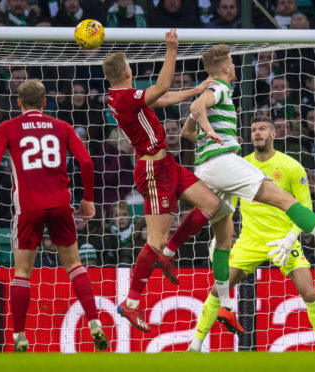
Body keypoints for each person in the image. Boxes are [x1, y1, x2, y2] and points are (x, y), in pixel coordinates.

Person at [182, 45, 315, 330]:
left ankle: (223, 310)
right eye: (232, 62)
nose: (234, 66)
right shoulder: (219, 88)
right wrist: (210, 131)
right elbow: (197, 108)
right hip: (222, 162)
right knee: (282, 198)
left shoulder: (215, 93)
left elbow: (186, 131)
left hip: (208, 169)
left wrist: (205, 131)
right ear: (224, 68)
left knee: (223, 239)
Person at [0, 79, 108, 352]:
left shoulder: (8, 127)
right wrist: (88, 198)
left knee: (22, 271)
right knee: (74, 265)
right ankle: (94, 322)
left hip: (29, 206)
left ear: (19, 102)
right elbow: (85, 161)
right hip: (61, 204)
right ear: (45, 102)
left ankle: (20, 336)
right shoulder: (63, 127)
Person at [102, 29, 222, 333]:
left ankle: (168, 254)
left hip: (167, 164)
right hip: (153, 171)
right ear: (128, 71)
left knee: (211, 204)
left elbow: (162, 97)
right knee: (153, 240)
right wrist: (172, 49)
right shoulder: (125, 98)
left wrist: (195, 91)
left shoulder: (120, 96)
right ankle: (130, 304)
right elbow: (163, 85)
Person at [186, 116, 315, 352]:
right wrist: (218, 237)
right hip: (249, 241)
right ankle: (195, 344)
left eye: (262, 129)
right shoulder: (240, 165)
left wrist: (289, 237)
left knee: (309, 291)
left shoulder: (291, 166)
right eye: (253, 129)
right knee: (219, 288)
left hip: (282, 240)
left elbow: (306, 208)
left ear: (273, 134)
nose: (257, 133)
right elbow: (225, 205)